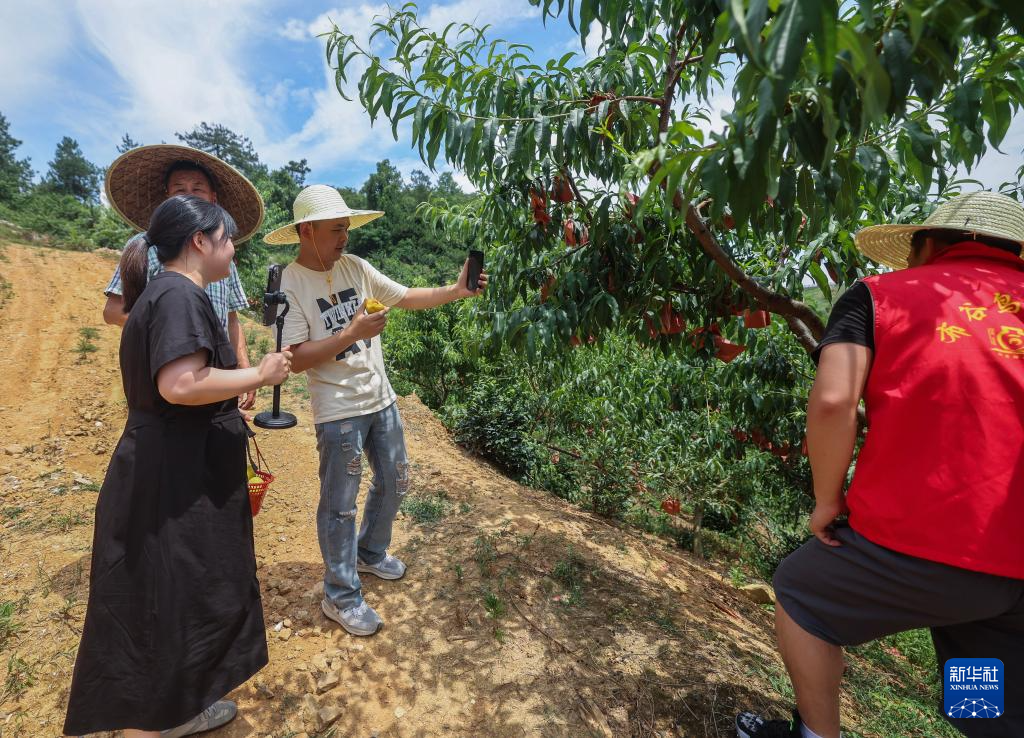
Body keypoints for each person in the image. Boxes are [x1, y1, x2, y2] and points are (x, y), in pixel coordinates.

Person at [735, 191, 1024, 738]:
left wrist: (827, 502)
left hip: (932, 547)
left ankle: (816, 736)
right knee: (985, 682)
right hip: (1009, 569)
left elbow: (833, 402)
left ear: (932, 245)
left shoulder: (879, 295)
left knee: (801, 595)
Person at [63, 195, 292, 738]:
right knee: (172, 591)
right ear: (199, 240)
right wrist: (257, 375)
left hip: (166, 467)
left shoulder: (163, 293)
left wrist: (231, 390)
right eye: (228, 239)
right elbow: (180, 384)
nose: (233, 251)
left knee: (165, 593)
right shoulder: (178, 294)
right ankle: (156, 721)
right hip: (175, 477)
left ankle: (171, 711)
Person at [263, 184, 487, 636]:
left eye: (346, 227)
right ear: (307, 231)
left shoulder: (356, 267)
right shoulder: (291, 281)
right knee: (339, 505)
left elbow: (406, 296)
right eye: (336, 229)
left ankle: (369, 554)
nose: (345, 236)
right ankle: (340, 594)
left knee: (396, 480)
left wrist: (457, 291)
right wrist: (351, 332)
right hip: (339, 410)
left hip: (380, 399)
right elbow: (293, 358)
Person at [102, 144, 265, 410]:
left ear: (213, 197)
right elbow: (113, 311)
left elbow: (231, 318)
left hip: (216, 373)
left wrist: (242, 367)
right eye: (180, 189)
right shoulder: (147, 247)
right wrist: (176, 335)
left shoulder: (222, 257)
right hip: (168, 366)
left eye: (198, 188)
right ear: (168, 198)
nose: (191, 195)